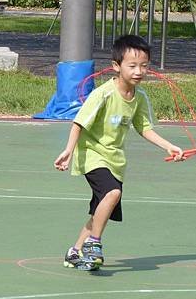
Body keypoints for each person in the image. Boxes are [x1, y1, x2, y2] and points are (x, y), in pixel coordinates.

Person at [54, 34, 185, 270]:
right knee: (112, 193)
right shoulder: (103, 94)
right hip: (93, 154)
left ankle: (74, 251)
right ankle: (94, 244)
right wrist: (68, 151)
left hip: (116, 161)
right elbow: (79, 122)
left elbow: (144, 128)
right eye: (132, 65)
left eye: (144, 66)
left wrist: (168, 145)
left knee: (99, 212)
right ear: (116, 66)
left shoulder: (139, 97)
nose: (139, 71)